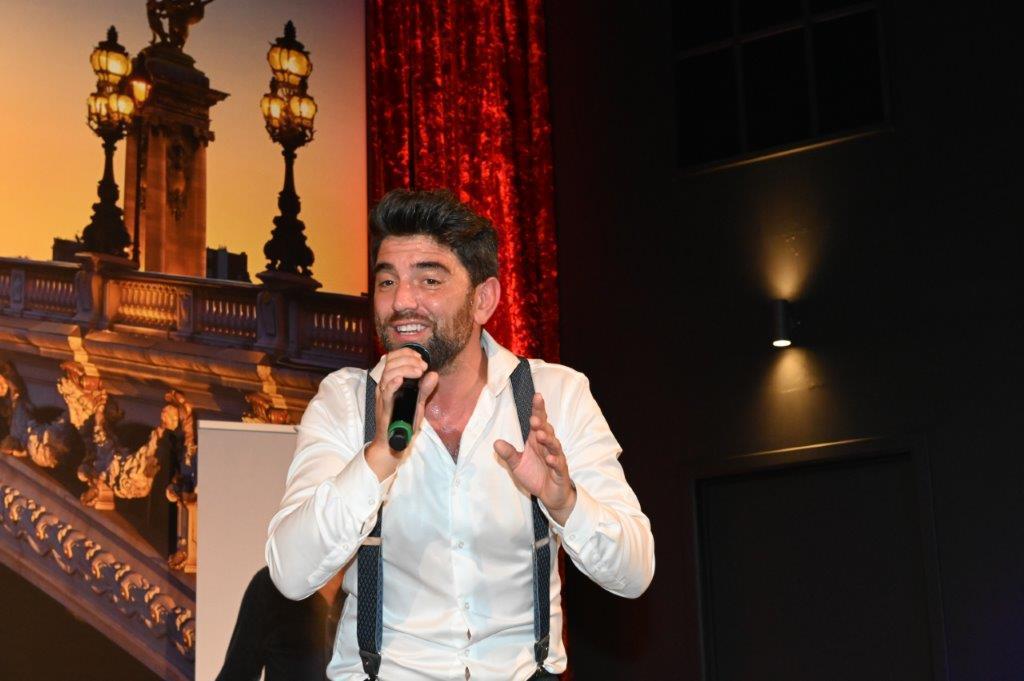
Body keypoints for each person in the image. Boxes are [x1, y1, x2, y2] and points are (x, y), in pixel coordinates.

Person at [266, 189, 655, 680]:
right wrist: (378, 456)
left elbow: (634, 573)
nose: (401, 301)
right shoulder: (345, 402)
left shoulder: (556, 394)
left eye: (429, 279)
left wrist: (565, 503)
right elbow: (291, 572)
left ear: (483, 299)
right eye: (387, 281)